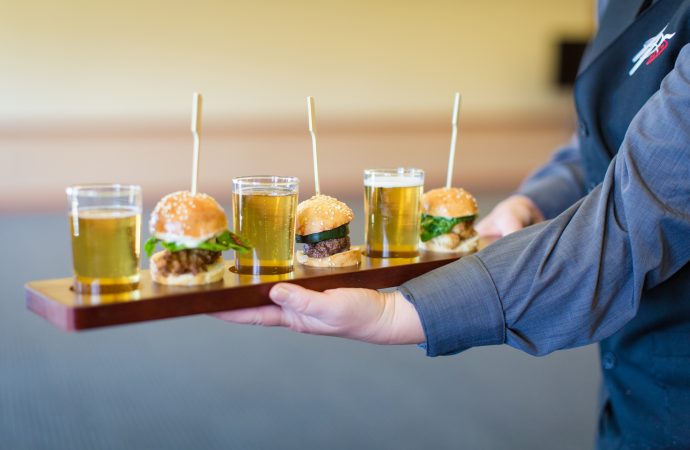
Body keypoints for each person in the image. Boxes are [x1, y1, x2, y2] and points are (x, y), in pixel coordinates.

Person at [215, 0, 690, 447]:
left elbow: (636, 216)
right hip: (629, 370)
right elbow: (607, 139)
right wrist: (532, 201)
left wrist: (401, 313)